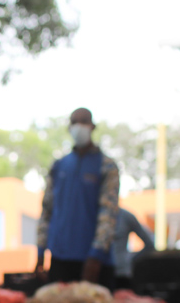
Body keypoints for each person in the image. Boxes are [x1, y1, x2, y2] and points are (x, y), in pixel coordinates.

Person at [36, 107, 120, 285]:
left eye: (83, 121)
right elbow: (47, 210)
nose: (78, 127)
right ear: (69, 127)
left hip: (94, 263)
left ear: (92, 127)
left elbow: (108, 213)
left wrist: (96, 254)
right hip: (61, 258)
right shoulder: (59, 166)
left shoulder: (106, 166)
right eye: (74, 122)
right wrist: (40, 250)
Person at [107, 208, 154, 290]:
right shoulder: (95, 213)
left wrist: (131, 259)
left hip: (120, 273)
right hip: (99, 270)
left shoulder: (126, 216)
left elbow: (149, 244)